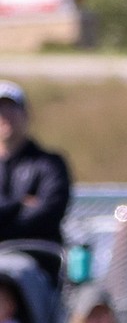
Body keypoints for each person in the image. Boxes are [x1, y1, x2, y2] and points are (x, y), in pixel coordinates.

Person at [0, 81, 71, 246]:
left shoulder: (50, 165)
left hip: (36, 254)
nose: (5, 116)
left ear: (25, 114)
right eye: (0, 109)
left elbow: (48, 214)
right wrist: (19, 204)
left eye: (11, 108)